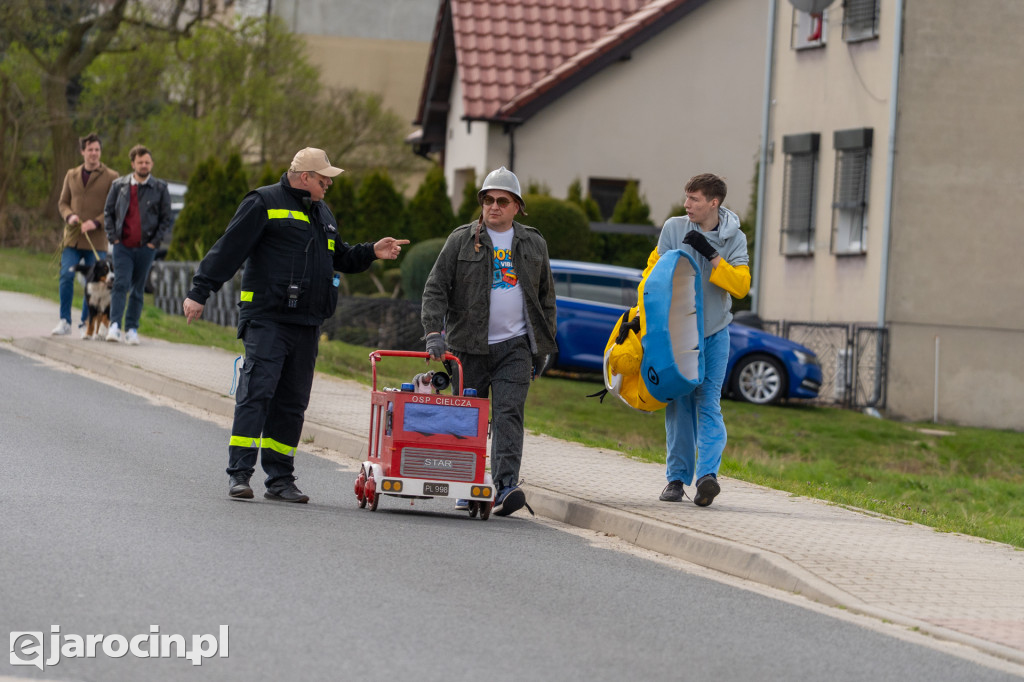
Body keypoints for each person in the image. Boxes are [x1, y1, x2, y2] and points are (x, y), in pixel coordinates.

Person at [182, 147, 408, 503]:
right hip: (267, 318)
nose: (328, 185)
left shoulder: (322, 212)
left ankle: (280, 479)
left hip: (307, 323)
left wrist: (371, 251)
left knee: (292, 403)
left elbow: (339, 256)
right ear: (305, 177)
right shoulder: (263, 202)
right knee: (257, 394)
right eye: (324, 179)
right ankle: (239, 474)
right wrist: (200, 291)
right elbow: (229, 249)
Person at [421, 166, 557, 517]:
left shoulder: (534, 243)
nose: (493, 206)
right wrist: (434, 334)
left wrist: (542, 349)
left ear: (517, 207)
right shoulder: (461, 240)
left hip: (516, 346)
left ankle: (506, 486)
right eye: (488, 200)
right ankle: (466, 484)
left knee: (509, 413)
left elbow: (546, 300)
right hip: (468, 347)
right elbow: (436, 288)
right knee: (469, 417)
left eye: (502, 201)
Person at [657, 173, 750, 507]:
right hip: (678, 333)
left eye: (694, 199)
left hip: (714, 333)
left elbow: (741, 287)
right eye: (686, 197)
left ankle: (707, 477)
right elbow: (654, 275)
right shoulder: (673, 229)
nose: (686, 204)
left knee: (709, 402)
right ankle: (676, 479)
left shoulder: (734, 238)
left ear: (714, 202)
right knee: (679, 404)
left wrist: (711, 254)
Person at [103, 144, 172, 345]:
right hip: (122, 246)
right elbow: (108, 212)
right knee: (120, 283)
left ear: (152, 164)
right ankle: (115, 326)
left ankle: (132, 329)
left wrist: (154, 243)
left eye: (147, 162)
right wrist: (113, 238)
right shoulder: (119, 186)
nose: (144, 165)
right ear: (133, 163)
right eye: (140, 162)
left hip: (146, 247)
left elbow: (166, 218)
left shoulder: (160, 188)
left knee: (137, 288)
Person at [53, 132, 118, 337]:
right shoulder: (71, 174)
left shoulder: (112, 177)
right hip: (72, 238)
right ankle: (65, 321)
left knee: (93, 283)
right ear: (83, 151)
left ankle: (85, 323)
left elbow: (114, 208)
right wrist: (69, 216)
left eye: (97, 150)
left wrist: (95, 222)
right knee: (66, 275)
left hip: (96, 241)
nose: (94, 153)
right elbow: (62, 202)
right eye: (90, 149)